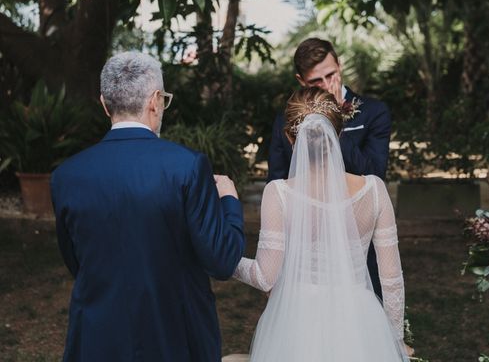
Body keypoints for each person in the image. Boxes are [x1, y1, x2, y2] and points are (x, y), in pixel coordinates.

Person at [51, 51, 245, 362]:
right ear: (155, 100)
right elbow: (222, 259)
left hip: (96, 340)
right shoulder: (187, 167)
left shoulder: (66, 176)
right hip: (176, 339)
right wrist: (230, 201)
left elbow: (76, 260)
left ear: (104, 103)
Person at [235, 87, 409, 361]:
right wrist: (395, 342)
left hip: (295, 321)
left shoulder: (278, 193)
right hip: (360, 321)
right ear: (339, 134)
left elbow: (264, 276)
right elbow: (391, 280)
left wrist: (227, 261)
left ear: (291, 138)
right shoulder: (374, 190)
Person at [268, 38, 392, 299]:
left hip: (358, 253)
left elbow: (374, 174)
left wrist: (333, 122)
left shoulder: (374, 112)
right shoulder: (285, 122)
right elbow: (278, 181)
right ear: (301, 80)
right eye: (316, 82)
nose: (326, 85)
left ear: (339, 65)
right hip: (305, 259)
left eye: (331, 75)